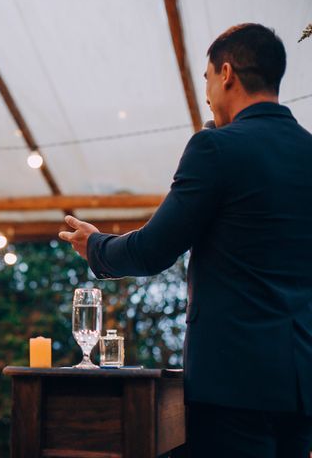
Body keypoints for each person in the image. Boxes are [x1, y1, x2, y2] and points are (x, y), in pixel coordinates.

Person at [60, 23, 312, 457]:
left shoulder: (216, 148)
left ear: (227, 72)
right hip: (302, 384)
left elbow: (153, 249)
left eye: (208, 80)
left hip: (233, 382)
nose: (208, 94)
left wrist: (96, 246)